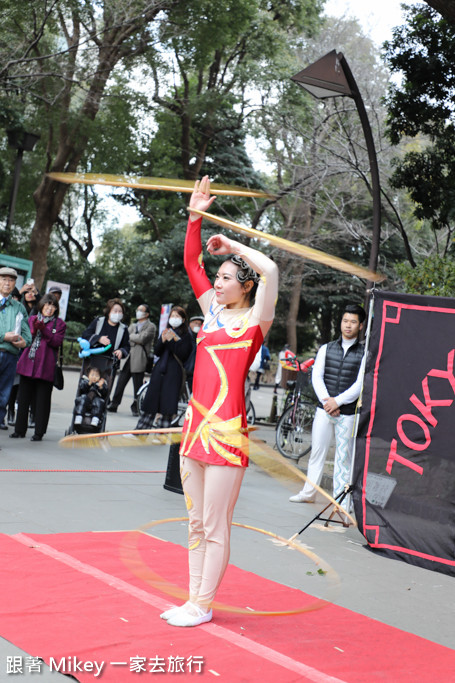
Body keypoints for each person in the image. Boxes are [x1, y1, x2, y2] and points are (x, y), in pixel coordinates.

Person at [160, 176, 278, 628]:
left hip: (227, 433)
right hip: (194, 427)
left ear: (244, 286)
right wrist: (196, 215)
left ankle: (204, 604)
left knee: (214, 525)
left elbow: (271, 271)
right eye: (219, 277)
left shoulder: (255, 321)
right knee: (193, 523)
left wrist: (236, 246)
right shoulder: (210, 312)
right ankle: (193, 600)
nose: (219, 282)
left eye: (227, 278)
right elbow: (192, 261)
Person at [289, 303, 366, 510]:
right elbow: (317, 376)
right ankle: (308, 493)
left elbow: (360, 384)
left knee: (343, 457)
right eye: (345, 321)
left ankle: (341, 501)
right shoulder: (326, 348)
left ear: (360, 326)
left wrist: (337, 401)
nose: (348, 325)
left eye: (353, 322)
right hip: (324, 410)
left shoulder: (365, 354)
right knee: (317, 452)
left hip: (347, 413)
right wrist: (327, 401)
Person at [11, 293, 66, 441]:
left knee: (42, 401)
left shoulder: (59, 324)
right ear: (41, 305)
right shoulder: (31, 319)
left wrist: (44, 329)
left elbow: (56, 342)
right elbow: (26, 338)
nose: (49, 308)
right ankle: (19, 430)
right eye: (47, 304)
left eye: (53, 306)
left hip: (45, 367)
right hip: (28, 363)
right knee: (23, 399)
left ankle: (39, 432)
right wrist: (35, 329)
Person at [136, 306, 192, 429]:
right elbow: (157, 351)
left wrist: (172, 340)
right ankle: (140, 430)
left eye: (177, 316)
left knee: (167, 404)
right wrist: (162, 340)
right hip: (159, 370)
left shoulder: (187, 336)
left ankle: (161, 433)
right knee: (150, 401)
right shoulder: (165, 331)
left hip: (174, 372)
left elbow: (183, 354)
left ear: (183, 320)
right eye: (172, 316)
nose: (174, 319)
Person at [108, 304, 156, 415]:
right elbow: (126, 338)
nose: (138, 312)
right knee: (121, 382)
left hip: (139, 358)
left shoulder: (151, 326)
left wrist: (131, 337)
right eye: (137, 309)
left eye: (141, 310)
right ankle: (114, 404)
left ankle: (136, 407)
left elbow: (142, 339)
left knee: (137, 384)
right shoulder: (133, 325)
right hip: (128, 358)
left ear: (147, 314)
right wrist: (134, 338)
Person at [0, 267, 32, 435]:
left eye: (11, 280)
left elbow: (28, 335)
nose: (7, 283)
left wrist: (23, 342)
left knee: (3, 398)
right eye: (4, 279)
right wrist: (3, 336)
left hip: (11, 357)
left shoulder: (19, 307)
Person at [184, 314, 204, 393]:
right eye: (196, 323)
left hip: (195, 371)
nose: (198, 325)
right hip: (184, 369)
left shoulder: (201, 337)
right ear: (190, 324)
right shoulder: (186, 336)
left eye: (200, 324)